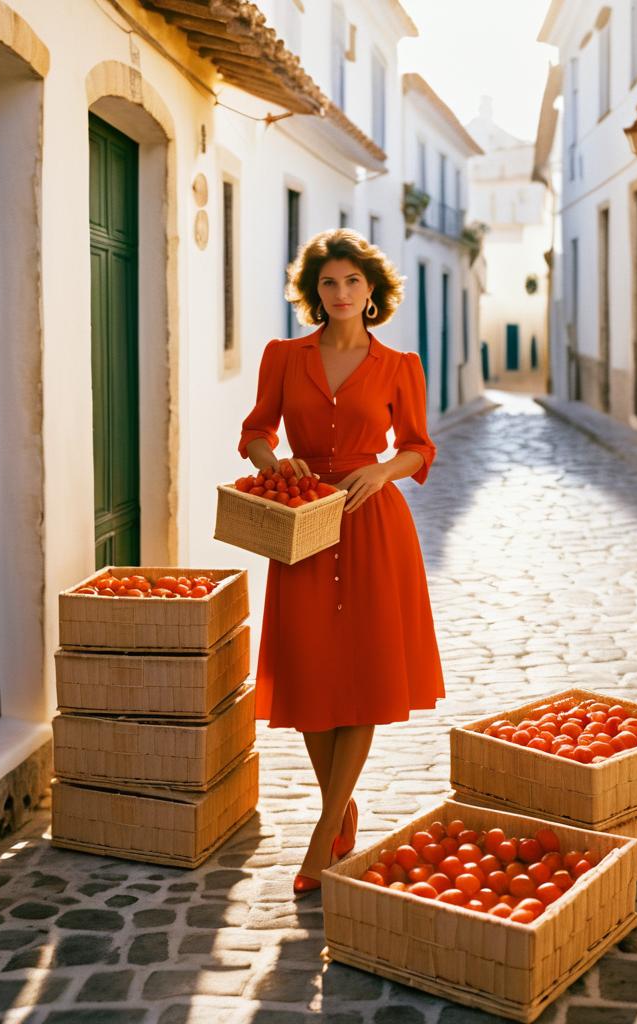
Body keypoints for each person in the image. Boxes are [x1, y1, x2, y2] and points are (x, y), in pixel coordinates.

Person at [238, 229, 445, 894]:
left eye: (354, 282)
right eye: (329, 283)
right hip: (302, 522)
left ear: (373, 291)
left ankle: (323, 837)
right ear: (313, 293)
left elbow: (418, 446)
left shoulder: (399, 365)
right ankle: (342, 811)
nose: (342, 294)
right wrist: (278, 462)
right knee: (310, 674)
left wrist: (383, 471)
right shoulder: (283, 357)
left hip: (372, 525)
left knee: (359, 671)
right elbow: (255, 433)